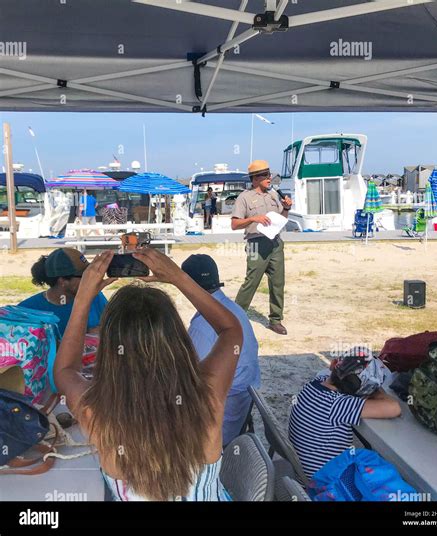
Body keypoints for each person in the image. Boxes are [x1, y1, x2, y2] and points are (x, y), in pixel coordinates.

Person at [53, 248, 243, 501]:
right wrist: (179, 277)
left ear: (110, 346)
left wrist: (82, 299)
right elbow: (231, 330)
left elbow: (65, 370)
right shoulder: (207, 396)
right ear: (178, 338)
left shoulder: (95, 412)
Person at [182, 254, 261, 446]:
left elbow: (190, 378)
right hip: (240, 405)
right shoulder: (232, 309)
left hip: (220, 421)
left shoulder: (203, 327)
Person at [288, 350, 401, 479]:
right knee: (385, 470)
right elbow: (394, 408)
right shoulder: (340, 404)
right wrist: (376, 389)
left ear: (333, 364)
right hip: (325, 483)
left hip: (304, 473)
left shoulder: (315, 383)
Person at [231, 160, 292, 335]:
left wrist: (286, 208)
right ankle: (235, 318)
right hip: (256, 244)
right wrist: (253, 219)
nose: (269, 178)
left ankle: (275, 320)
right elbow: (234, 224)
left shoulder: (273, 195)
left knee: (278, 283)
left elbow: (282, 218)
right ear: (255, 179)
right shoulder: (244, 198)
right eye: (265, 175)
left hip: (275, 243)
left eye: (269, 174)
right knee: (251, 282)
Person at [18, 248, 107, 337]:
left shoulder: (95, 297)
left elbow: (112, 326)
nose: (90, 278)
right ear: (63, 281)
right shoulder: (27, 311)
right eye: (84, 276)